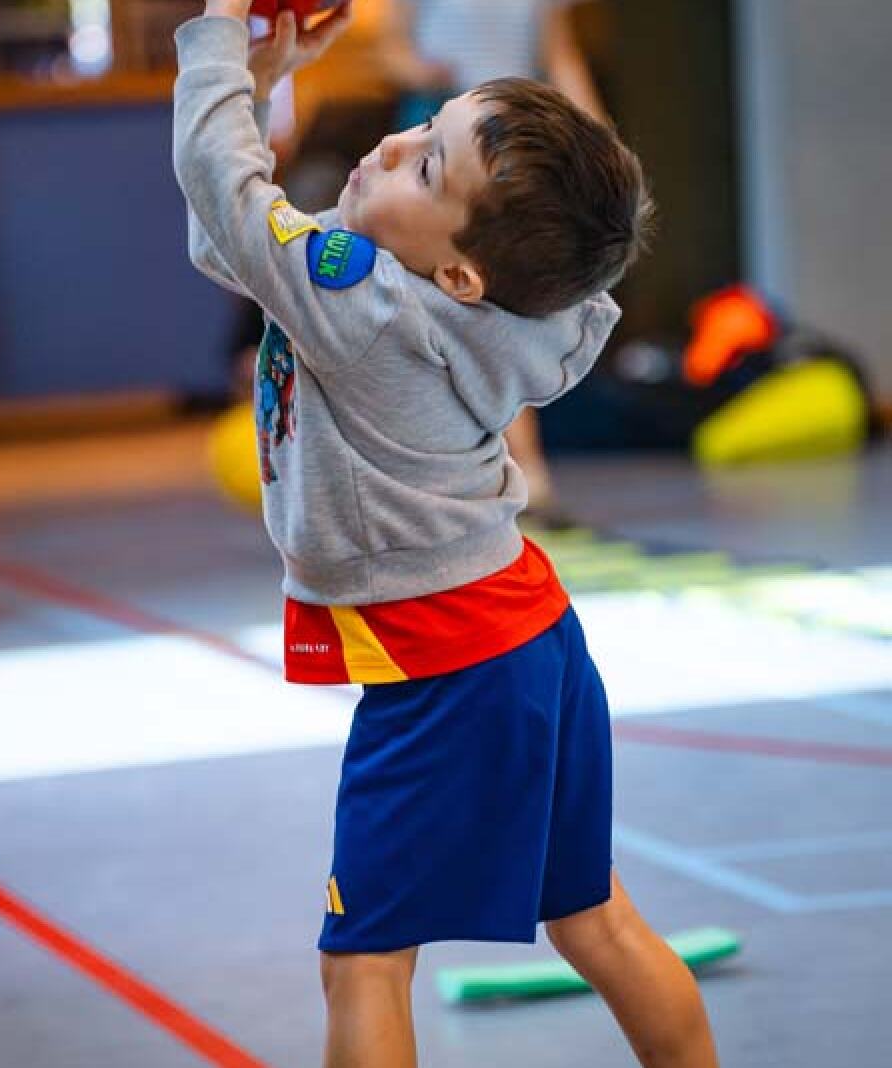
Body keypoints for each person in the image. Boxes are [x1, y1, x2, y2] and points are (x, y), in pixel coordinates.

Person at [173, 4, 718, 1067]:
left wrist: (219, 36)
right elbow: (228, 240)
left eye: (427, 169)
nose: (393, 145)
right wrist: (265, 81)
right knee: (595, 921)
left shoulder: (364, 306)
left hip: (445, 665)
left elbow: (221, 189)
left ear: (462, 272)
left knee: (365, 962)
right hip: (528, 634)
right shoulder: (503, 307)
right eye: (426, 128)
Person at [385, 0, 610, 519]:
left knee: (502, 304)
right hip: (441, 138)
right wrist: (427, 74)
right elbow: (391, 52)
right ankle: (491, 471)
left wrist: (597, 139)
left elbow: (559, 55)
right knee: (439, 312)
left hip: (513, 150)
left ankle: (520, 468)